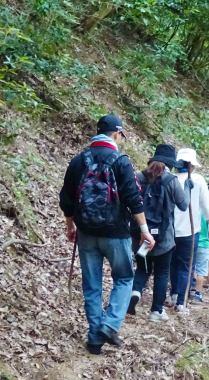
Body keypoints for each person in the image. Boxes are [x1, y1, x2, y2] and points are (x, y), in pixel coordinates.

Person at [59, 115, 155, 355]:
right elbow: (134, 198)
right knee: (123, 278)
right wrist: (144, 231)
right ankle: (110, 325)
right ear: (116, 134)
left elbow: (66, 199)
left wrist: (71, 226)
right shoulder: (121, 161)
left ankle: (94, 338)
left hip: (87, 232)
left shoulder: (79, 160)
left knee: (91, 285)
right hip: (116, 233)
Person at [128, 144, 190, 322]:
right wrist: (187, 188)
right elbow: (183, 205)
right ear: (170, 164)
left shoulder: (139, 177)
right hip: (164, 237)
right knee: (162, 273)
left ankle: (135, 291)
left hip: (140, 234)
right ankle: (156, 311)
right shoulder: (172, 181)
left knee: (143, 268)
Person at [171, 148, 209, 313]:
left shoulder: (169, 179)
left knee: (173, 264)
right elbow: (206, 204)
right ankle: (181, 302)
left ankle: (174, 294)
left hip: (171, 231)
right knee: (185, 266)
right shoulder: (198, 180)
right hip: (190, 231)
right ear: (191, 165)